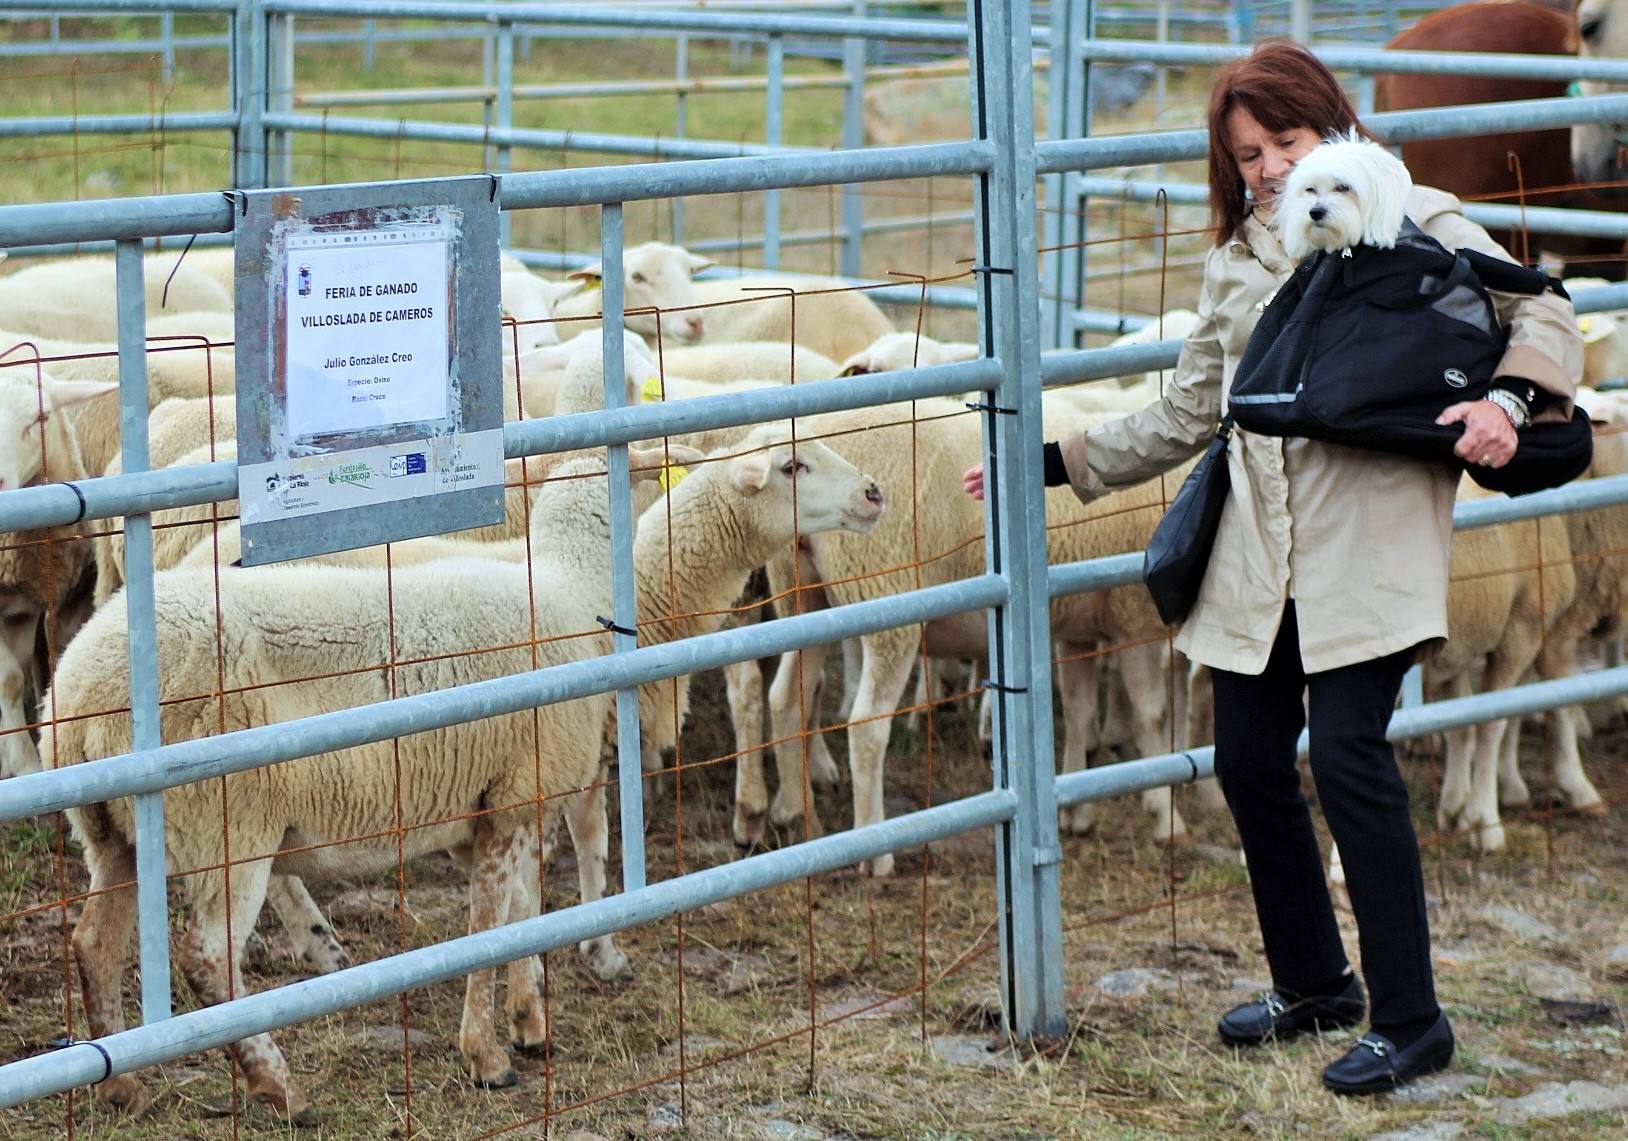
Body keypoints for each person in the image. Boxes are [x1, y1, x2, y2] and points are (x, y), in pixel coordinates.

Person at [964, 40, 1580, 1095]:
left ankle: (1411, 1019)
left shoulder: (1412, 216)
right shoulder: (1239, 259)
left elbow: (1540, 306)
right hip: (1258, 552)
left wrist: (1504, 401)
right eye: (1244, 151)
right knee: (1247, 763)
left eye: (1283, 142)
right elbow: (1191, 409)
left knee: (1347, 757)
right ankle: (1314, 984)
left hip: (1365, 545)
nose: (1263, 168)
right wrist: (1055, 462)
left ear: (1331, 129)